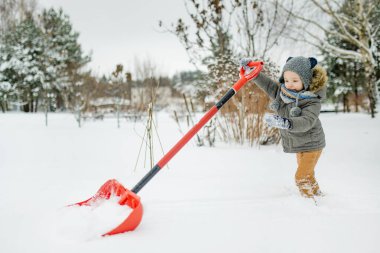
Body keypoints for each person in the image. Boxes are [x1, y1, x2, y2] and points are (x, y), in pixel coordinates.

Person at [240, 56, 328, 198]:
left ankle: (309, 203)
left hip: (313, 144)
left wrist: (287, 123)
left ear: (306, 81)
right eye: (286, 80)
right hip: (300, 145)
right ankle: (319, 197)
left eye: (295, 81)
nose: (289, 84)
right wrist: (254, 73)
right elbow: (268, 85)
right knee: (308, 175)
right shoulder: (282, 93)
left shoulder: (312, 101)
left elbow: (307, 121)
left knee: (301, 177)